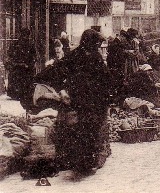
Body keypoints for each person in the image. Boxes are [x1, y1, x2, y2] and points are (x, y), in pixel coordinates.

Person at [47, 29, 112, 175]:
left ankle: (87, 162)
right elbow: (57, 72)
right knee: (81, 129)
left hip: (94, 100)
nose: (97, 46)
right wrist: (62, 89)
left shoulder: (96, 56)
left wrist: (107, 96)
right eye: (95, 43)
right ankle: (82, 162)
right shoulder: (74, 56)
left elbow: (105, 77)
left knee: (92, 130)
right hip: (79, 99)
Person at [5, 29, 37, 108]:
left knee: (20, 80)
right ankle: (20, 94)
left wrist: (28, 64)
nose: (25, 37)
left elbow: (34, 56)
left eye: (26, 35)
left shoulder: (17, 44)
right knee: (21, 80)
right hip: (21, 67)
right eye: (24, 35)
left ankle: (18, 94)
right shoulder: (27, 44)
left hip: (22, 67)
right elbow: (10, 55)